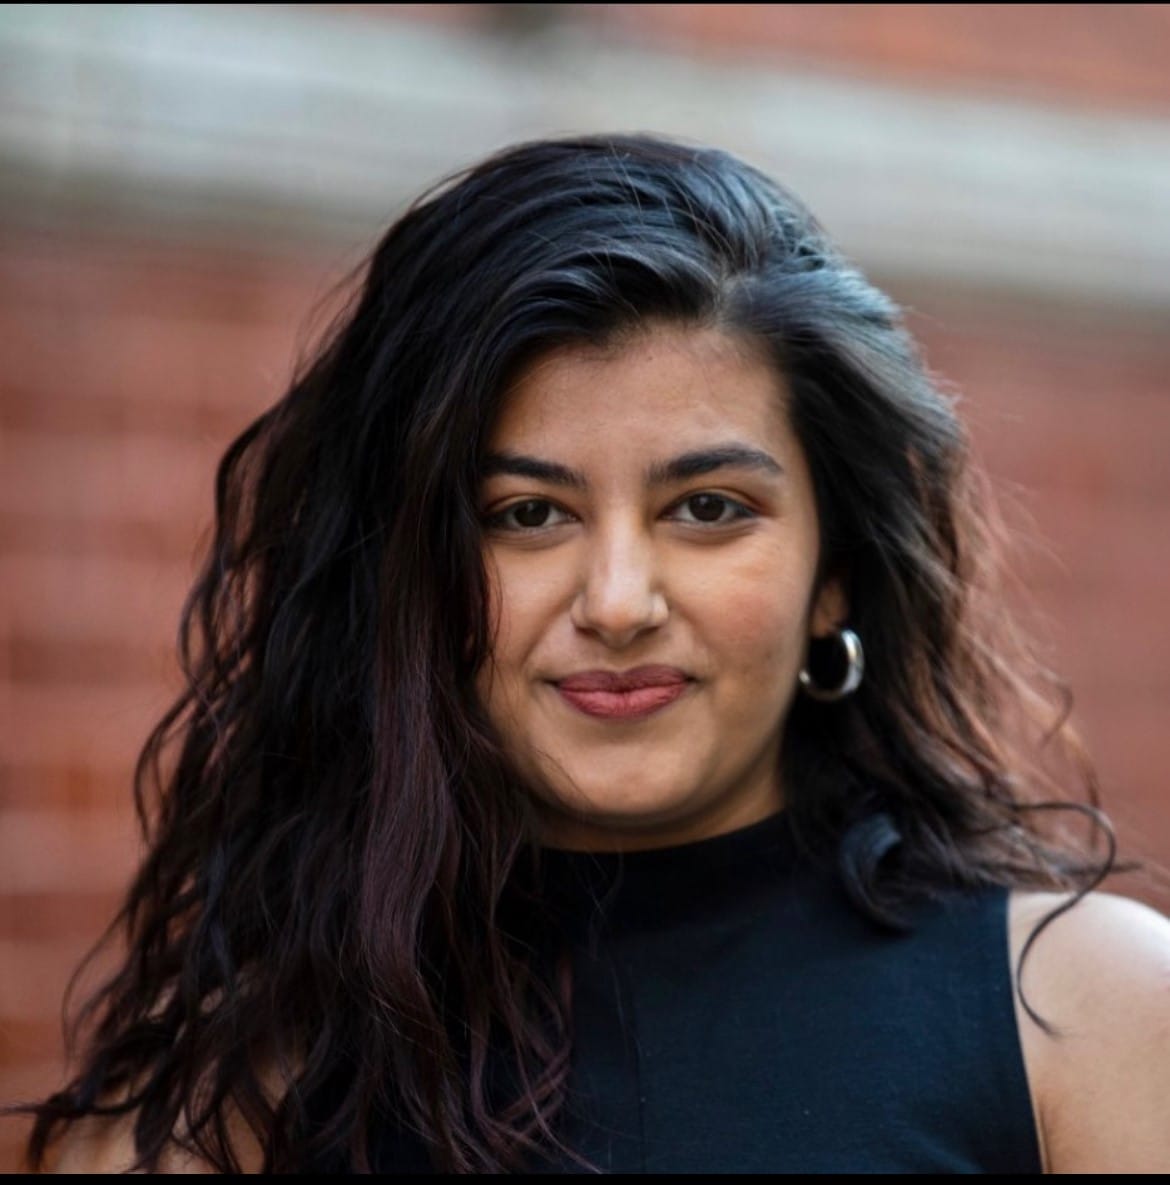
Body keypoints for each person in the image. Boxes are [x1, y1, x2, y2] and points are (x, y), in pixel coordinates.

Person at [23, 133, 1170, 1173]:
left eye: (709, 509)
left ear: (835, 574)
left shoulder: (1087, 1023)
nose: (618, 603)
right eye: (528, 515)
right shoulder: (219, 1111)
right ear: (406, 580)